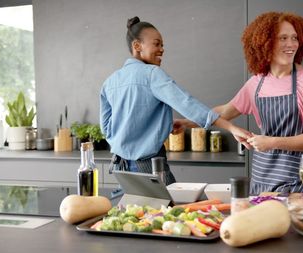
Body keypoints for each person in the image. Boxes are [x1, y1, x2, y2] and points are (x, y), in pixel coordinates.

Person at [177, 12, 303, 194]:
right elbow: (225, 112)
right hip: (261, 178)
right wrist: (187, 123)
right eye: (283, 38)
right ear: (266, 43)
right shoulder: (257, 83)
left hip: (299, 180)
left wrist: (272, 142)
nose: (291, 44)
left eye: (294, 38)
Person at [99, 16, 252, 185]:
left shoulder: (109, 82)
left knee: (135, 211)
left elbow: (106, 129)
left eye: (162, 45)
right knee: (170, 211)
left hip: (121, 168)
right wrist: (232, 128)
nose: (162, 49)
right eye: (156, 44)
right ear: (137, 46)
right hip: (150, 166)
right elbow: (187, 104)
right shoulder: (152, 74)